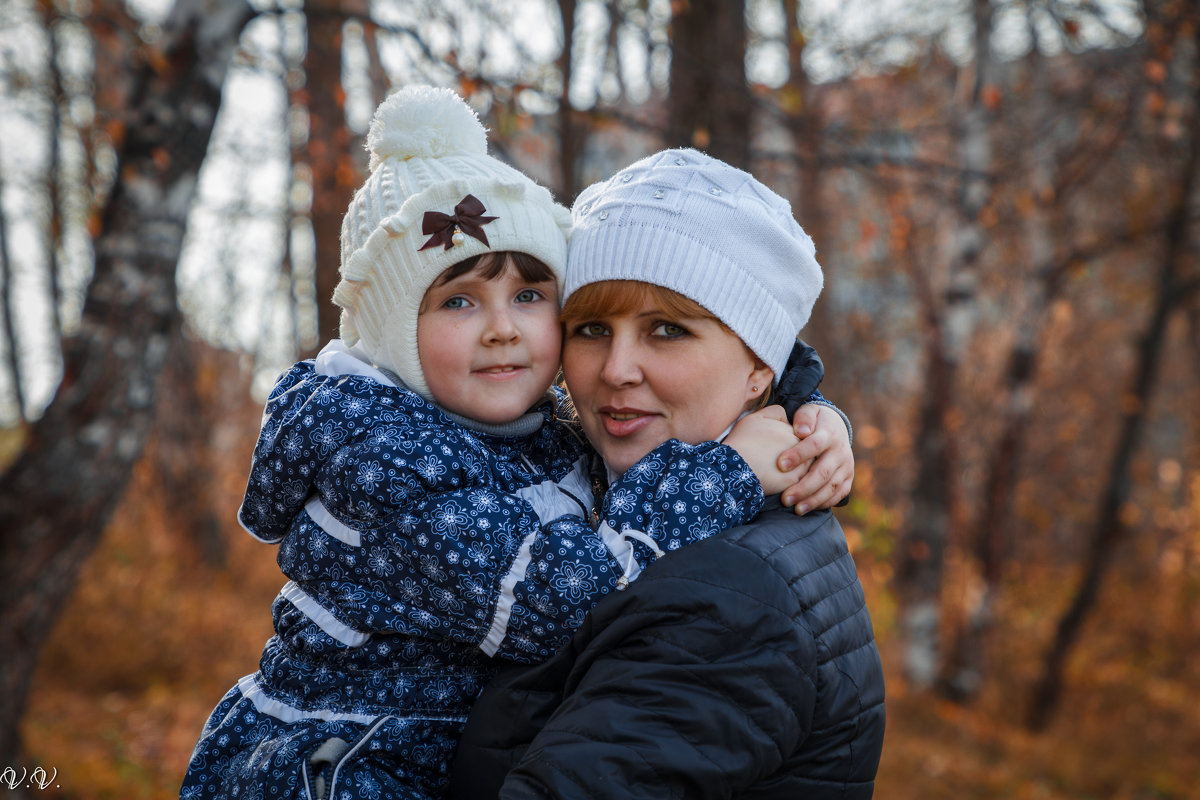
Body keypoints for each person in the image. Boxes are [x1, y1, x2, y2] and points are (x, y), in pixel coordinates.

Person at [180, 89, 853, 800]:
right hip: (346, 766)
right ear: (390, 332)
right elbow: (562, 599)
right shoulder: (386, 464)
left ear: (758, 372)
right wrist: (729, 469)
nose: (502, 329)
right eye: (459, 300)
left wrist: (809, 413)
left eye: (531, 295)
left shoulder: (528, 429)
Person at [449, 149, 885, 799]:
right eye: (592, 327)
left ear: (761, 368)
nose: (616, 369)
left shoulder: (725, 598)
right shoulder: (589, 479)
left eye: (668, 331)